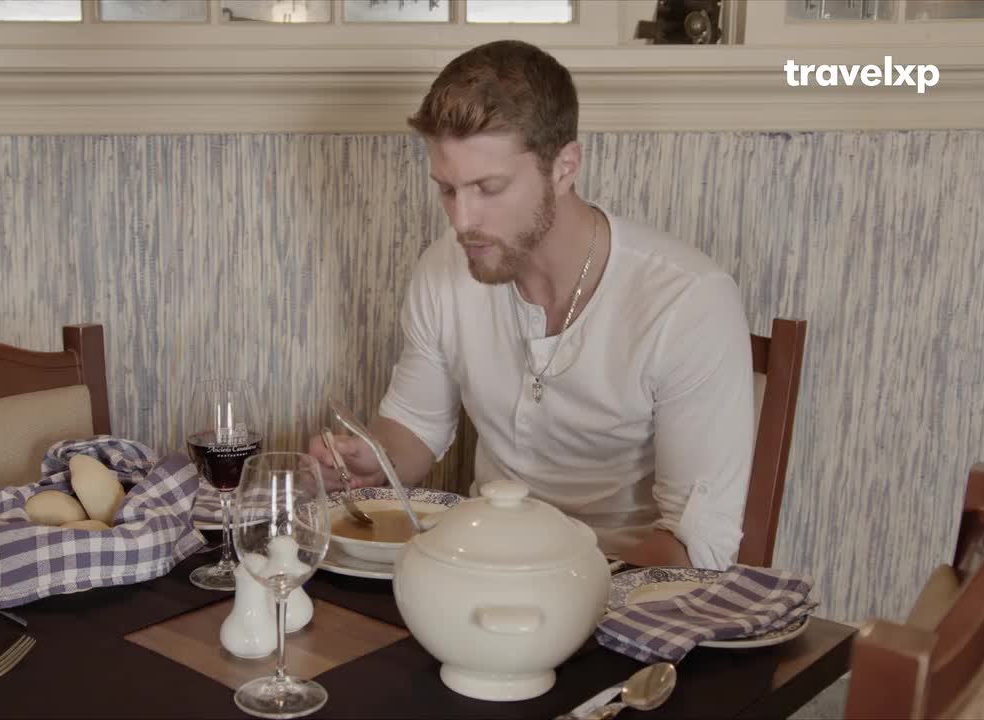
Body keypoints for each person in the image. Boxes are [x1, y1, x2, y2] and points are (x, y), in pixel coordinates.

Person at [309, 40, 754, 570]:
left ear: (564, 167)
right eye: (447, 190)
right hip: (479, 566)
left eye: (489, 188)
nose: (462, 220)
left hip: (625, 583)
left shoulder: (688, 301)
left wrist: (564, 592)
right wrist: (374, 462)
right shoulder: (444, 268)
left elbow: (695, 545)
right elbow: (415, 429)